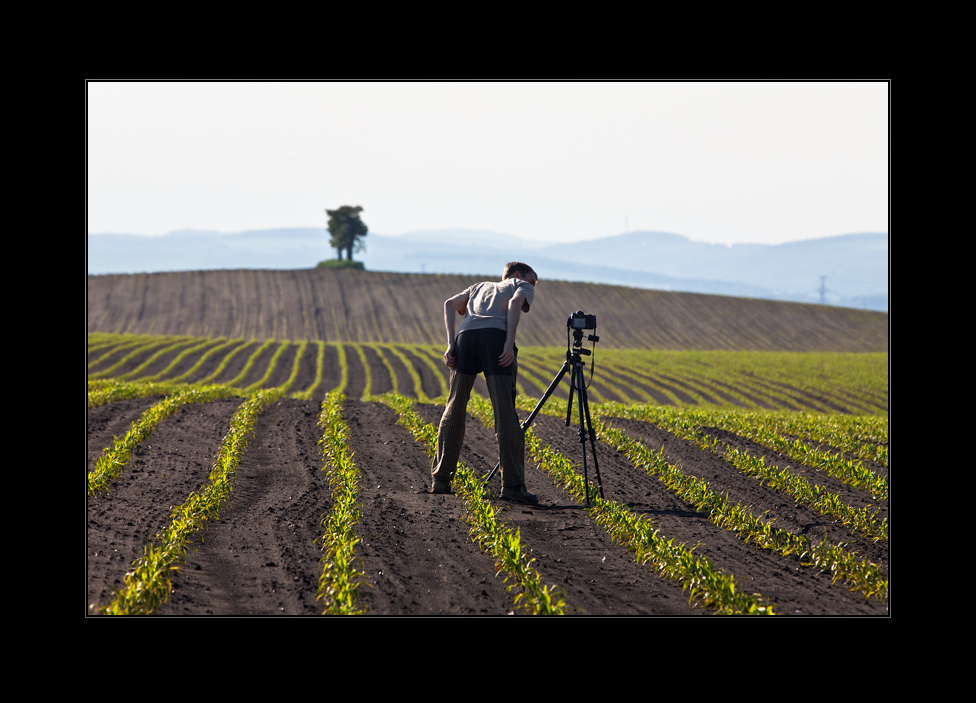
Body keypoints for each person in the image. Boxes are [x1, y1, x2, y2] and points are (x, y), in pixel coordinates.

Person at [430, 261, 539, 504]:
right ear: (519, 274)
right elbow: (513, 305)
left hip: (466, 339)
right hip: (495, 341)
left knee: (454, 408)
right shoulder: (520, 285)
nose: (532, 286)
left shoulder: (477, 287)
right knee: (505, 413)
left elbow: (449, 304)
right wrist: (509, 343)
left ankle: (441, 479)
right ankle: (512, 486)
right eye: (533, 280)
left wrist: (451, 344)